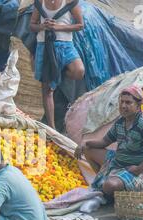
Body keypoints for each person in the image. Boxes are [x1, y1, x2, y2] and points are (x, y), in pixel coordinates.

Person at [74, 85, 143, 198]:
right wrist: (85, 143)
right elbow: (104, 142)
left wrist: (140, 168)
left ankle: (112, 186)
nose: (123, 106)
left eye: (128, 103)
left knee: (109, 185)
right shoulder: (121, 122)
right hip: (118, 162)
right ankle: (106, 182)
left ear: (138, 106)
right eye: (121, 102)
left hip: (136, 169)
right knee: (88, 149)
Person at [30, 0, 85, 129]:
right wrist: (43, 26)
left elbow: (80, 25)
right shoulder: (40, 3)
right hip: (45, 46)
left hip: (66, 45)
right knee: (47, 90)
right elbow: (32, 25)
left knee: (79, 71)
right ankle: (52, 128)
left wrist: (58, 27)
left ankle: (57, 75)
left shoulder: (70, 2)